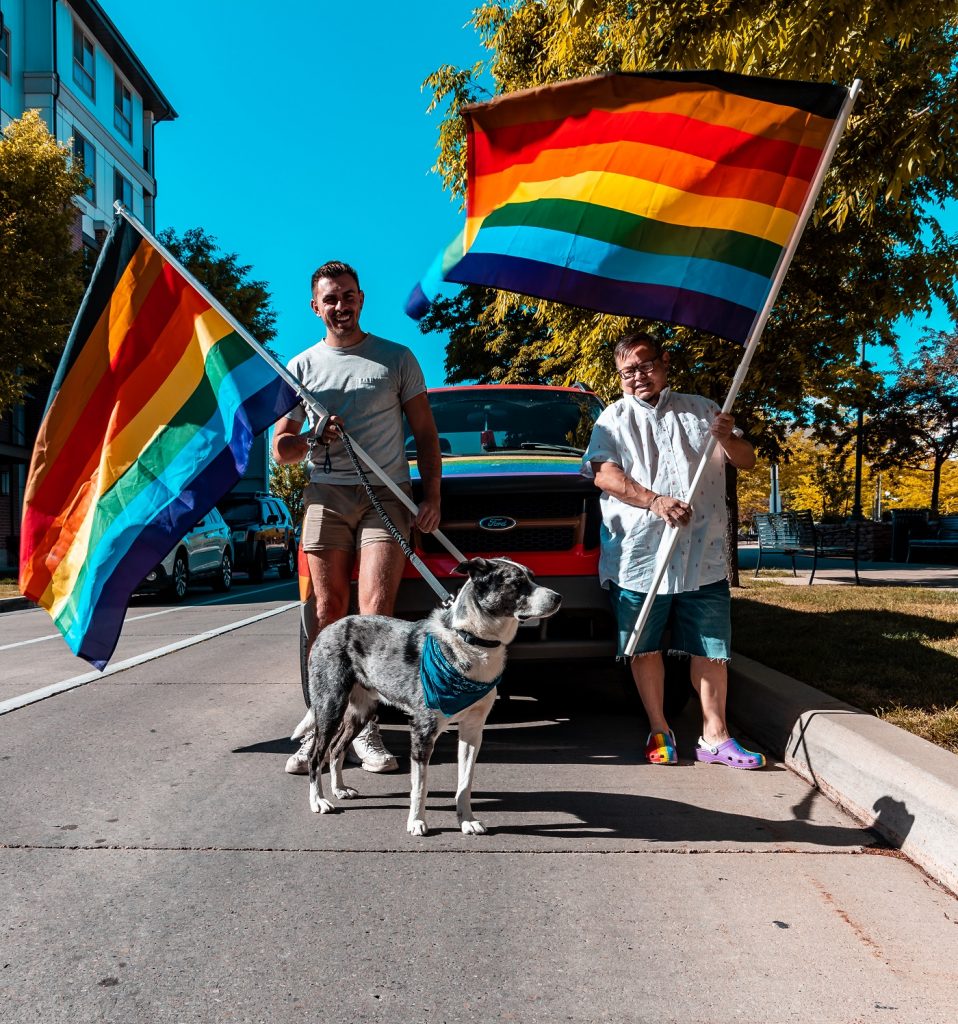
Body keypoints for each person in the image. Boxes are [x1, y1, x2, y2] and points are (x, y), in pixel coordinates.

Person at [273, 261, 441, 775]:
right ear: (315, 307)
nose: (340, 306)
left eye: (348, 296)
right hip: (326, 495)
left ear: (361, 299)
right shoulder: (299, 367)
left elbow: (427, 436)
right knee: (327, 614)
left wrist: (431, 496)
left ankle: (366, 730)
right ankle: (326, 727)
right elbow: (282, 450)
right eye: (330, 299)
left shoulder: (395, 359)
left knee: (373, 613)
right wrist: (311, 439)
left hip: (385, 497)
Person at [582, 331, 765, 769]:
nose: (638, 377)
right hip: (640, 556)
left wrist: (727, 437)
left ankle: (715, 737)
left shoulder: (704, 410)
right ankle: (660, 729)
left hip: (701, 553)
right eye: (628, 372)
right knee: (644, 646)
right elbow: (604, 475)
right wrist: (655, 501)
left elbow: (747, 459)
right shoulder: (612, 418)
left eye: (645, 366)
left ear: (664, 363)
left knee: (710, 647)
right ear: (619, 376)